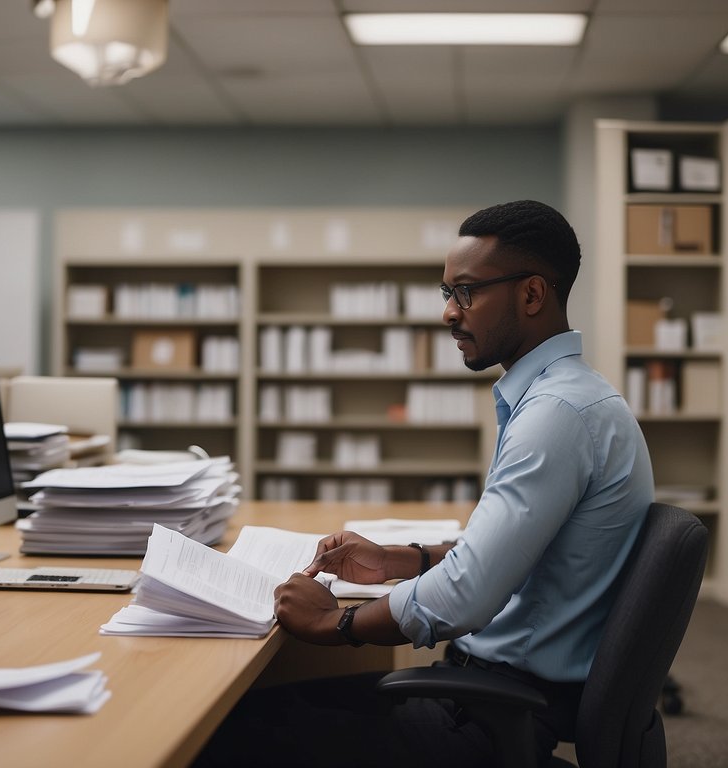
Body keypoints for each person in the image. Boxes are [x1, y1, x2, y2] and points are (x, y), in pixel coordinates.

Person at [195, 200, 655, 768]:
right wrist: (399, 560)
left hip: (485, 719)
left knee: (223, 734)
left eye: (466, 292)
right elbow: (517, 555)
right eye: (447, 294)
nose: (449, 314)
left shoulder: (557, 414)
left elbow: (466, 596)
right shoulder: (565, 397)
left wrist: (334, 622)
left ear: (532, 295)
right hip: (486, 695)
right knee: (250, 714)